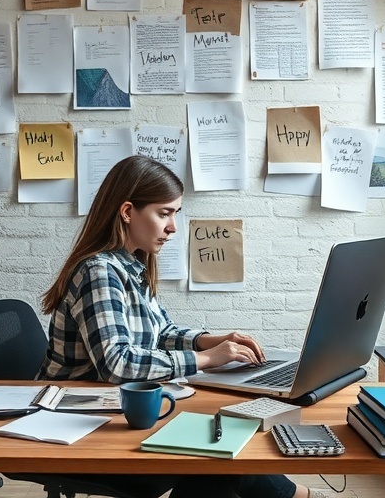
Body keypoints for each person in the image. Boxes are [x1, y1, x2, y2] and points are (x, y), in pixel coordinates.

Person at [38, 155, 332, 498]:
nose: (173, 226)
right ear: (128, 211)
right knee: (215, 463)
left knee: (220, 461)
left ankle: (302, 496)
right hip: (78, 424)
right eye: (164, 213)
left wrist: (210, 341)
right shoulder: (99, 272)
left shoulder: (130, 264)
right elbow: (117, 364)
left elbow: (161, 332)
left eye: (175, 213)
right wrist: (206, 360)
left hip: (117, 411)